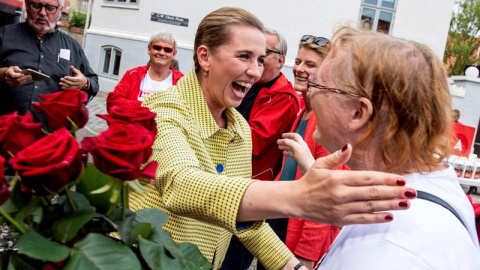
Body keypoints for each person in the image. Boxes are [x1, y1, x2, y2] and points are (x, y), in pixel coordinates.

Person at [129, 7, 417, 270]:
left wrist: (293, 267)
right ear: (204, 57)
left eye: (260, 60)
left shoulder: (239, 127)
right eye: (244, 57)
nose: (255, 71)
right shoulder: (163, 108)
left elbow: (247, 221)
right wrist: (297, 197)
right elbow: (181, 186)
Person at [283, 26, 480, 269]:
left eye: (318, 85)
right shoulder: (422, 187)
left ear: (358, 113)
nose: (309, 92)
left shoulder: (386, 249)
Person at [222, 28, 301, 270]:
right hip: (229, 183)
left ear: (280, 60)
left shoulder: (283, 96)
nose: (258, 60)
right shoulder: (252, 84)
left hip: (249, 189)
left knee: (233, 259)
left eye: (265, 53)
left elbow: (254, 142)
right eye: (252, 53)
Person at [276, 35, 348, 269]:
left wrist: (305, 256)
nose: (299, 69)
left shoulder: (326, 119)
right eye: (298, 61)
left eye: (310, 65)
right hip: (281, 226)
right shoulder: (303, 112)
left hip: (298, 243)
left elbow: (326, 195)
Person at [0, 0, 99, 118]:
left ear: (60, 10)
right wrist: (3, 74)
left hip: (52, 133)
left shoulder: (72, 46)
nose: (42, 12)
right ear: (26, 5)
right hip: (7, 130)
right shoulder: (4, 35)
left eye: (50, 8)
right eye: (36, 6)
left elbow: (94, 83)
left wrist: (85, 83)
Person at [106, 31, 183, 112]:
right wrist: (148, 106)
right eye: (157, 47)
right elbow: (113, 102)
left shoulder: (181, 81)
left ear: (174, 54)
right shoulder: (133, 74)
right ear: (149, 50)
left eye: (167, 50)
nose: (161, 53)